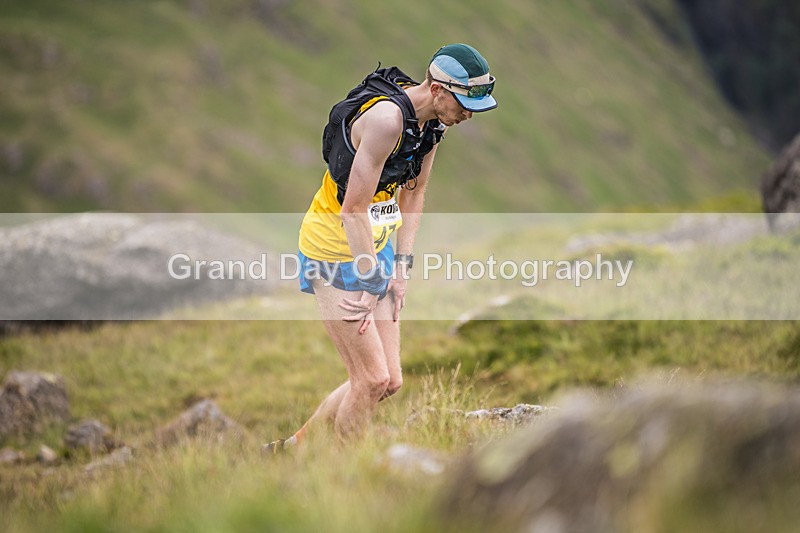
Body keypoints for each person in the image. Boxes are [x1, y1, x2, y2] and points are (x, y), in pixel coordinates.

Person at [264, 44, 497, 452]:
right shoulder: (386, 121)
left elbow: (415, 192)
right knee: (370, 380)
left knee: (389, 381)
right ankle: (343, 477)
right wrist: (371, 282)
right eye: (464, 102)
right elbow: (353, 210)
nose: (469, 114)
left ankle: (293, 449)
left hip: (377, 248)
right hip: (334, 252)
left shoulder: (432, 126)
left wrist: (401, 266)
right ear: (437, 88)